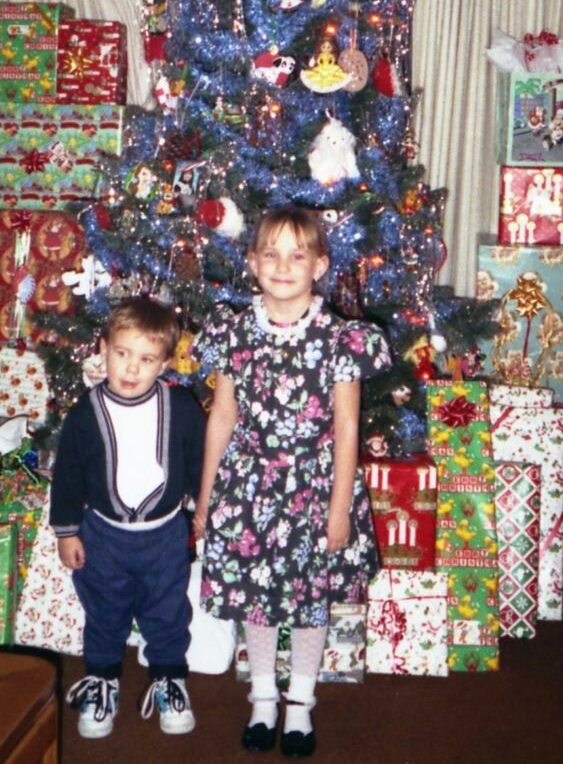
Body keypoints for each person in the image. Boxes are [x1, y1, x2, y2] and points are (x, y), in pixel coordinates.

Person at [193, 205, 390, 758]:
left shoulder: (340, 339)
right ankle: (262, 697)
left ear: (319, 265)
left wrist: (338, 509)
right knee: (257, 597)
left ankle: (300, 702)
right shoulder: (233, 333)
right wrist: (206, 497)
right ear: (252, 263)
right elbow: (223, 417)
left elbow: (347, 426)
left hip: (315, 486)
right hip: (250, 484)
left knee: (309, 598)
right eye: (271, 254)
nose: (284, 265)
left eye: (297, 255)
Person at [50, 296, 205, 740]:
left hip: (164, 536)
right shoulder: (85, 414)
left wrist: (201, 507)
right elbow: (68, 476)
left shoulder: (181, 409)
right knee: (104, 611)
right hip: (104, 535)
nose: (132, 369)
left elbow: (197, 462)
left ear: (163, 364)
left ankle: (169, 680)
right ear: (103, 349)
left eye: (146, 359)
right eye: (122, 354)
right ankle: (102, 682)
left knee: (167, 610)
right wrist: (67, 532)